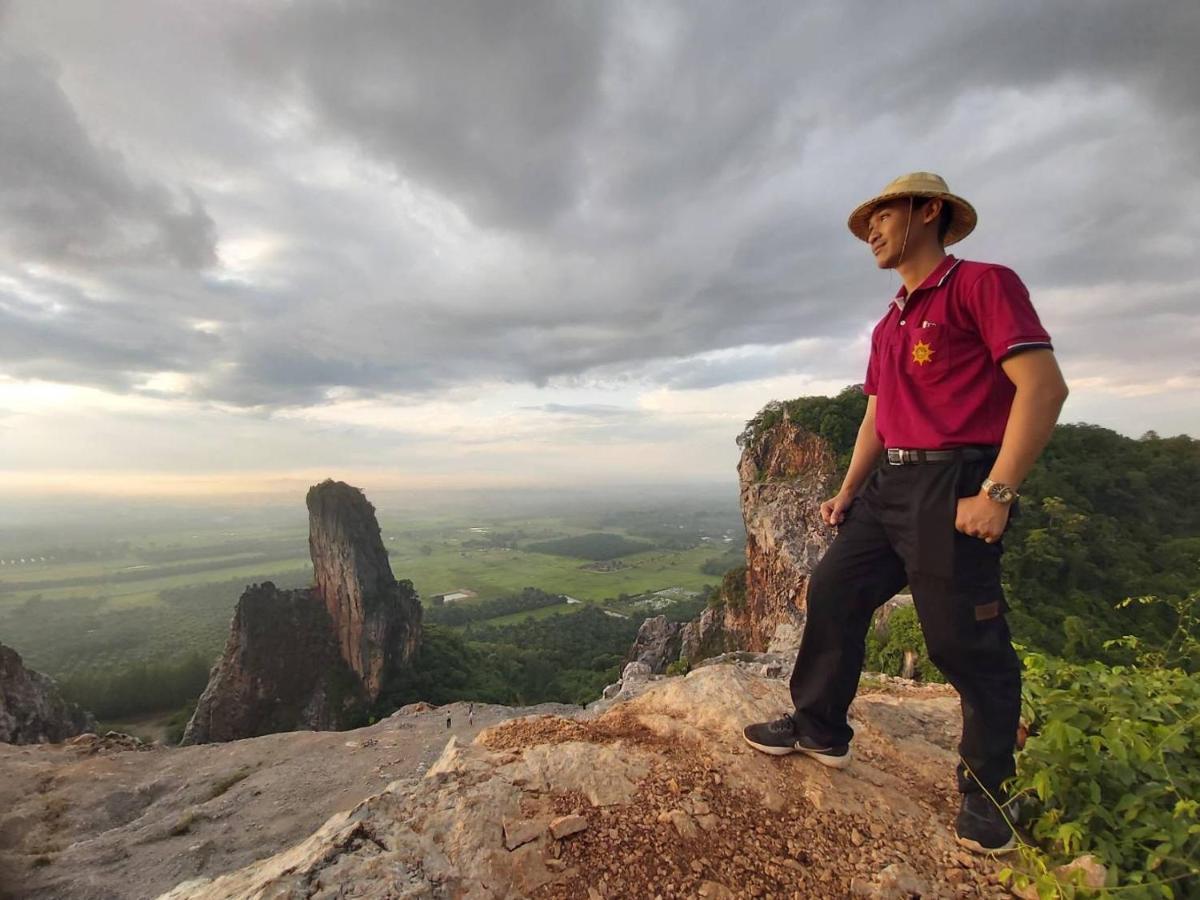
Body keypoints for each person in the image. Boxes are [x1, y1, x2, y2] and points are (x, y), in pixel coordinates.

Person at [741, 172, 1069, 854]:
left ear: (929, 211)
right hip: (889, 485)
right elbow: (875, 418)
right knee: (834, 591)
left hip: (954, 483)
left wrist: (998, 493)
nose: (871, 233)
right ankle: (819, 727)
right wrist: (848, 489)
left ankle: (988, 790)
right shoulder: (889, 321)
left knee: (960, 640)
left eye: (882, 216)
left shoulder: (982, 284)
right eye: (866, 225)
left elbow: (1043, 386)